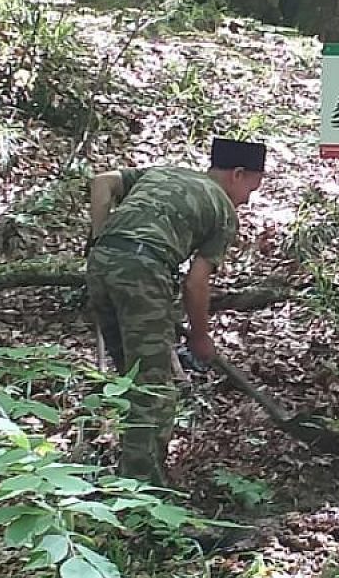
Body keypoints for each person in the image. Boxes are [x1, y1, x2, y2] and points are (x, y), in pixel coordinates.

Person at [85, 138, 266, 484]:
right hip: (144, 269)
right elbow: (196, 284)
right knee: (153, 387)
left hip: (100, 266)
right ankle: (142, 490)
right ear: (237, 174)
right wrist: (200, 337)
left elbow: (102, 182)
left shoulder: (163, 172)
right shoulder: (222, 210)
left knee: (132, 373)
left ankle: (127, 471)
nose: (247, 200)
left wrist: (99, 237)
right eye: (250, 189)